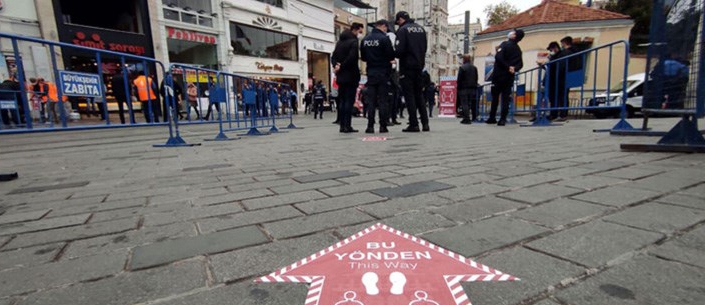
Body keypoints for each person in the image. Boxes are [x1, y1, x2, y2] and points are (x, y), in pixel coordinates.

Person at [395, 11, 429, 132]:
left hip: (407, 67)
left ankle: (414, 124)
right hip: (419, 67)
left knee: (409, 96)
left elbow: (399, 51)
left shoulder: (403, 30)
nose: (398, 24)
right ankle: (425, 123)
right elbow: (425, 47)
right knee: (419, 95)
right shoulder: (421, 29)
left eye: (397, 22)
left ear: (400, 19)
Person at [361, 19, 396, 134]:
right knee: (383, 101)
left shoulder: (365, 39)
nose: (386, 30)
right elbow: (391, 55)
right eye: (386, 28)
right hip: (383, 72)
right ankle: (383, 126)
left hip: (371, 72)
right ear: (383, 26)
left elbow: (364, 57)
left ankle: (370, 126)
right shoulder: (384, 39)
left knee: (371, 101)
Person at [332, 22, 364, 133]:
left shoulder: (339, 42)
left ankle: (342, 125)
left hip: (340, 76)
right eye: (360, 31)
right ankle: (347, 125)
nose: (360, 34)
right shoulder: (354, 42)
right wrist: (342, 66)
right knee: (348, 102)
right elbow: (352, 58)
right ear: (355, 30)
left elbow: (333, 56)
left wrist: (336, 65)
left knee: (342, 101)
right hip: (350, 75)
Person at [488, 29, 524, 126]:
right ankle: (503, 119)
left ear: (514, 36)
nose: (511, 33)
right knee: (506, 98)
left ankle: (492, 117)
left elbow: (498, 57)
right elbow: (520, 64)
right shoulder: (518, 49)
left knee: (495, 97)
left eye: (514, 32)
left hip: (498, 75)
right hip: (509, 77)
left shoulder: (504, 44)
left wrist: (507, 67)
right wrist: (514, 68)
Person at [543, 41, 567, 121]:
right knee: (552, 98)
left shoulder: (561, 55)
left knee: (560, 97)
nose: (551, 52)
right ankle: (553, 114)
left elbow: (559, 67)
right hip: (552, 80)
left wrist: (551, 60)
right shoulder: (554, 56)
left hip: (558, 80)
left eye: (551, 50)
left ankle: (561, 114)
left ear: (555, 48)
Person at [457, 54, 479, 124]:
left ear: (464, 60)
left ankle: (466, 118)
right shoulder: (474, 68)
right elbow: (476, 78)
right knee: (470, 103)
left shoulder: (462, 68)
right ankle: (473, 117)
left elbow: (459, 79)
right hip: (472, 88)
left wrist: (458, 87)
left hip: (463, 88)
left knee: (464, 104)